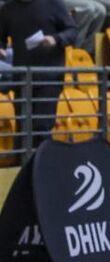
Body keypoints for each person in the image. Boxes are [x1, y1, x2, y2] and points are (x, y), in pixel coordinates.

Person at [0, 0, 76, 150]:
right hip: (22, 79)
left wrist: (56, 39)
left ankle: (42, 162)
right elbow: (1, 36)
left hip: (49, 77)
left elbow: (72, 31)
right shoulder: (8, 8)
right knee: (23, 128)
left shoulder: (53, 3)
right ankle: (23, 162)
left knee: (42, 127)